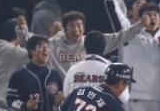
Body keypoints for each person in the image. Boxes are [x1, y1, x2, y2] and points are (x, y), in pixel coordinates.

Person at [16, 10, 148, 81]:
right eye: (72, 26)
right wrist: (22, 30)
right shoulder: (54, 44)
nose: (76, 29)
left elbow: (120, 37)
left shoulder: (92, 43)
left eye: (79, 25)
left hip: (85, 99)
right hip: (59, 98)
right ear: (65, 29)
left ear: (84, 28)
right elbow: (31, 45)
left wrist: (140, 25)